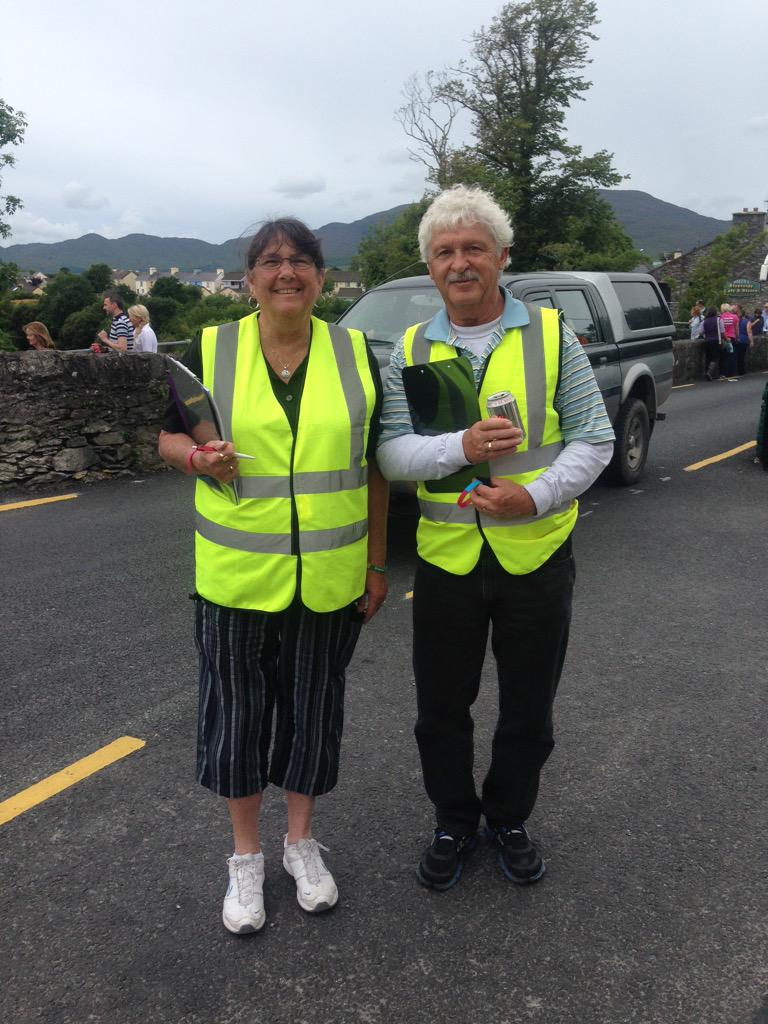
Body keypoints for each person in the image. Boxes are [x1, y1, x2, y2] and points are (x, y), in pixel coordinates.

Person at [376, 185, 614, 890]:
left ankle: (508, 818)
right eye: (444, 251)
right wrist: (461, 446)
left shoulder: (551, 335)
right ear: (430, 266)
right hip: (446, 562)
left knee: (529, 708)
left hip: (535, 554)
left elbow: (594, 439)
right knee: (440, 711)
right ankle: (453, 821)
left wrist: (532, 495)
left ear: (502, 256)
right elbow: (391, 454)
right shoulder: (411, 348)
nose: (460, 263)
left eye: (474, 248)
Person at [158, 217, 388, 934]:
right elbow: (167, 435)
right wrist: (196, 459)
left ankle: (300, 844)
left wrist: (376, 562)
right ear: (250, 278)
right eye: (270, 261)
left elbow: (374, 468)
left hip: (330, 575)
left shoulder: (356, 353)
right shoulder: (209, 349)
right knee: (235, 715)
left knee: (314, 709)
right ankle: (246, 858)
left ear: (320, 275)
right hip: (235, 578)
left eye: (300, 261)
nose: (286, 272)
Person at [701, 306, 725, 380]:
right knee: (716, 358)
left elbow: (701, 332)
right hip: (716, 341)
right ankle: (710, 372)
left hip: (707, 341)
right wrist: (726, 339)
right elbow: (722, 332)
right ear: (715, 312)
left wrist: (706, 335)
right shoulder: (719, 320)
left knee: (708, 358)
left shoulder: (704, 321)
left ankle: (706, 373)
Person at [719, 303, 739, 376]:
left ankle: (723, 373)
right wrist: (737, 337)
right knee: (732, 355)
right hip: (732, 338)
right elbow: (737, 329)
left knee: (723, 356)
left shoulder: (720, 317)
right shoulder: (735, 317)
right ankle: (732, 372)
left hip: (723, 338)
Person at [735, 306, 753, 376]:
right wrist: (751, 341)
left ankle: (736, 370)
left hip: (736, 339)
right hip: (744, 340)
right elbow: (749, 332)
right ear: (744, 314)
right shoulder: (747, 322)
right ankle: (741, 371)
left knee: (736, 356)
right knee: (741, 356)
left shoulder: (735, 320)